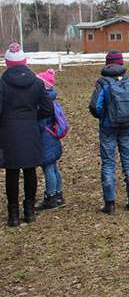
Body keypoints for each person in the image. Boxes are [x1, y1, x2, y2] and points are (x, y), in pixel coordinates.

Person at [1, 43, 53, 226]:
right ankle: (29, 211)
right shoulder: (37, 83)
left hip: (9, 130)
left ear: (7, 63)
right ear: (24, 61)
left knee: (12, 172)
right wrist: (32, 116)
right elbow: (48, 108)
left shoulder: (2, 83)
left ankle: (13, 214)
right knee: (30, 170)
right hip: (30, 129)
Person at [88, 51, 129, 214]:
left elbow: (95, 106)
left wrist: (104, 116)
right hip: (127, 127)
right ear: (121, 64)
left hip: (107, 127)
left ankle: (110, 203)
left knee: (108, 163)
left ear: (107, 64)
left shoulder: (102, 82)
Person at [34, 69, 66, 211]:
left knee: (48, 167)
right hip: (52, 137)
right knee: (53, 167)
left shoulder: (44, 101)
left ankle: (50, 196)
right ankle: (58, 193)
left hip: (45, 138)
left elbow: (41, 122)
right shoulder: (52, 98)